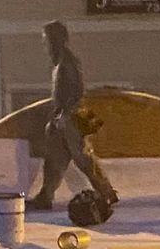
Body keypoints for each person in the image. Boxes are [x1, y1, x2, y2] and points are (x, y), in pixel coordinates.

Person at [33, 19, 119, 214]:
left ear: (55, 39)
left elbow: (78, 91)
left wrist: (65, 114)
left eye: (46, 39)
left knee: (82, 158)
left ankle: (106, 192)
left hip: (70, 119)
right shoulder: (59, 62)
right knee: (54, 158)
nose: (44, 43)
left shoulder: (68, 61)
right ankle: (45, 196)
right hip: (60, 119)